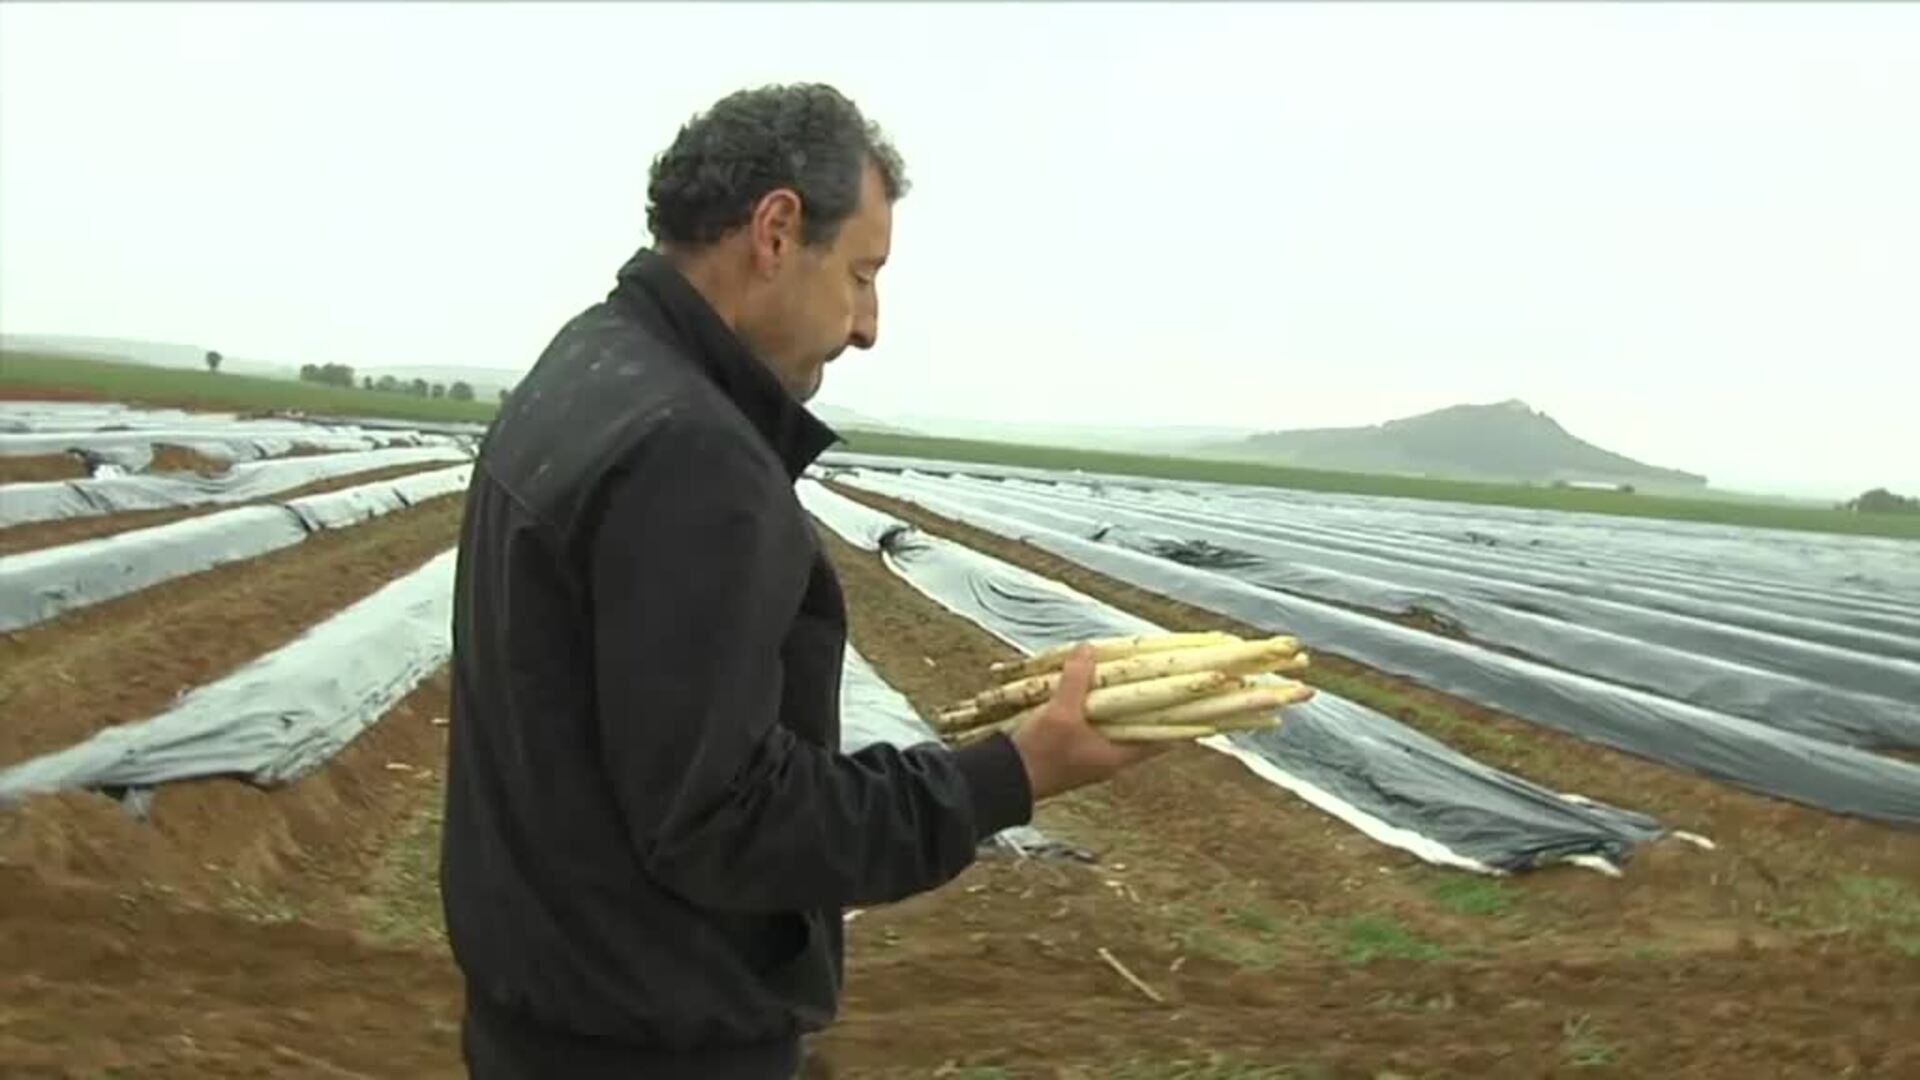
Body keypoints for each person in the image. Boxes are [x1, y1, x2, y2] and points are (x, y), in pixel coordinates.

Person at [439, 83, 1163, 1080]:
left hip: (540, 1017)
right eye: (862, 274)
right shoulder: (692, 455)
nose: (868, 325)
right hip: (647, 1044)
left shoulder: (584, 368)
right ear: (777, 231)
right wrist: (1014, 772)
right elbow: (727, 818)